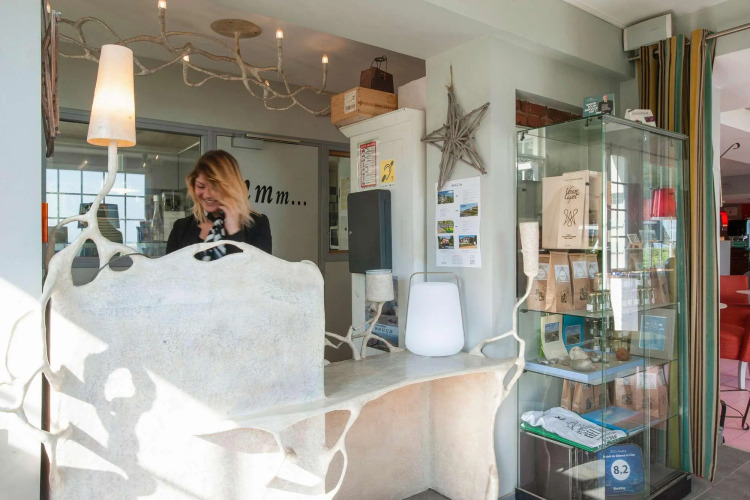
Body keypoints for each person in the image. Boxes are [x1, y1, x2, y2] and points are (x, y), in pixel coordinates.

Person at [166, 150, 271, 259]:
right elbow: (168, 268)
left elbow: (258, 269)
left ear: (231, 187)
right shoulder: (181, 228)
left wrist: (234, 232)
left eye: (215, 187)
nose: (207, 195)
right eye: (201, 186)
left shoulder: (257, 225)